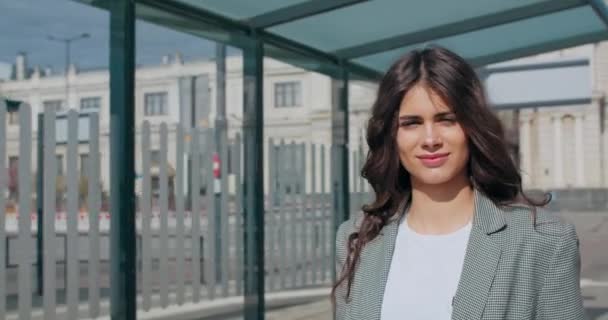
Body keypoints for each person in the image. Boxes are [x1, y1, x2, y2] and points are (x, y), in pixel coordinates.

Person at [332, 46, 586, 320]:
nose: (430, 139)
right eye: (411, 123)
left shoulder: (543, 241)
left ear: (471, 127)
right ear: (391, 136)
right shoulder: (357, 239)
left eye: (447, 120)